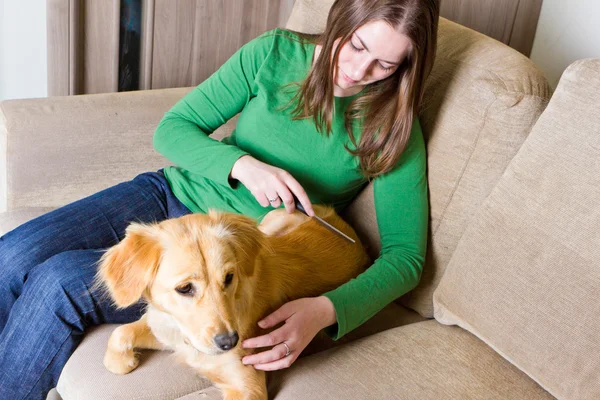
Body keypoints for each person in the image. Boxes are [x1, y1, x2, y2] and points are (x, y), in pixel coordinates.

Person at [0, 0, 439, 398]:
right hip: (169, 195)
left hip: (232, 248)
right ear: (341, 19)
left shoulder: (392, 128)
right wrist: (241, 165)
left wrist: (325, 311)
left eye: (384, 64)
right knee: (13, 253)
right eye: (356, 45)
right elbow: (173, 128)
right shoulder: (275, 54)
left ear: (407, 66)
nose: (358, 71)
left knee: (57, 282)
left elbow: (406, 258)